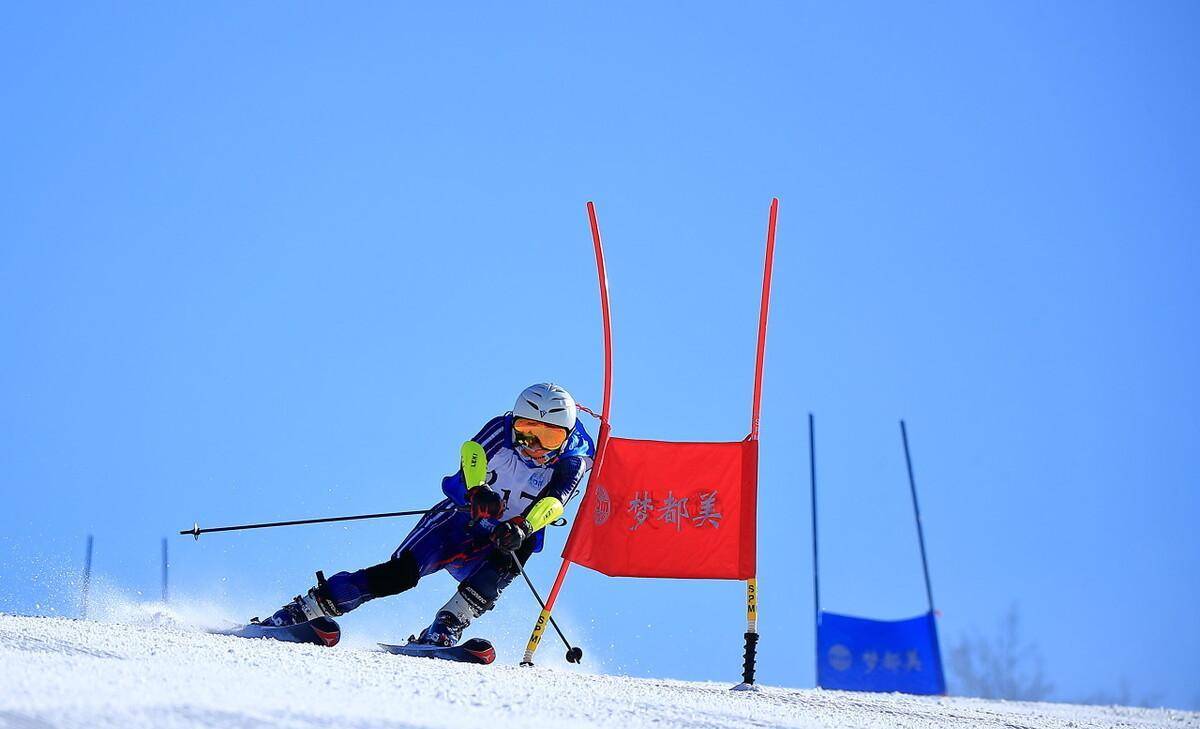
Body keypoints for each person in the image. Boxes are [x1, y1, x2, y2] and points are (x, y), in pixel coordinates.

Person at [254, 383, 594, 647]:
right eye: (526, 429)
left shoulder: (575, 457)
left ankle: (447, 626)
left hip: (506, 534)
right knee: (400, 575)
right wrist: (477, 490)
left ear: (565, 436)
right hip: (460, 519)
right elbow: (472, 452)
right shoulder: (501, 431)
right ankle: (307, 608)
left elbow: (557, 500)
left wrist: (523, 525)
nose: (534, 443)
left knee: (518, 549)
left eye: (548, 436)